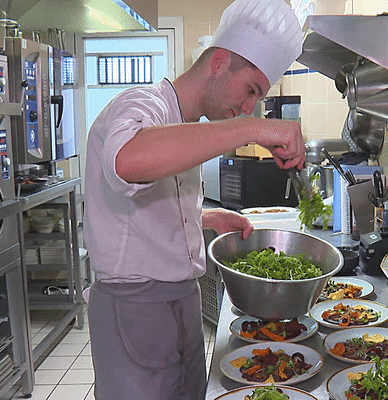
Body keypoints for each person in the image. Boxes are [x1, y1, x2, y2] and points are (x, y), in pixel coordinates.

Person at [83, 0, 304, 398]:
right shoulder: (141, 104)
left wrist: (206, 216)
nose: (248, 105)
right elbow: (127, 161)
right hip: (137, 311)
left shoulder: (184, 125)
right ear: (219, 62)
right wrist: (249, 127)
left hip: (177, 306)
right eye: (251, 89)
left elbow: (144, 204)